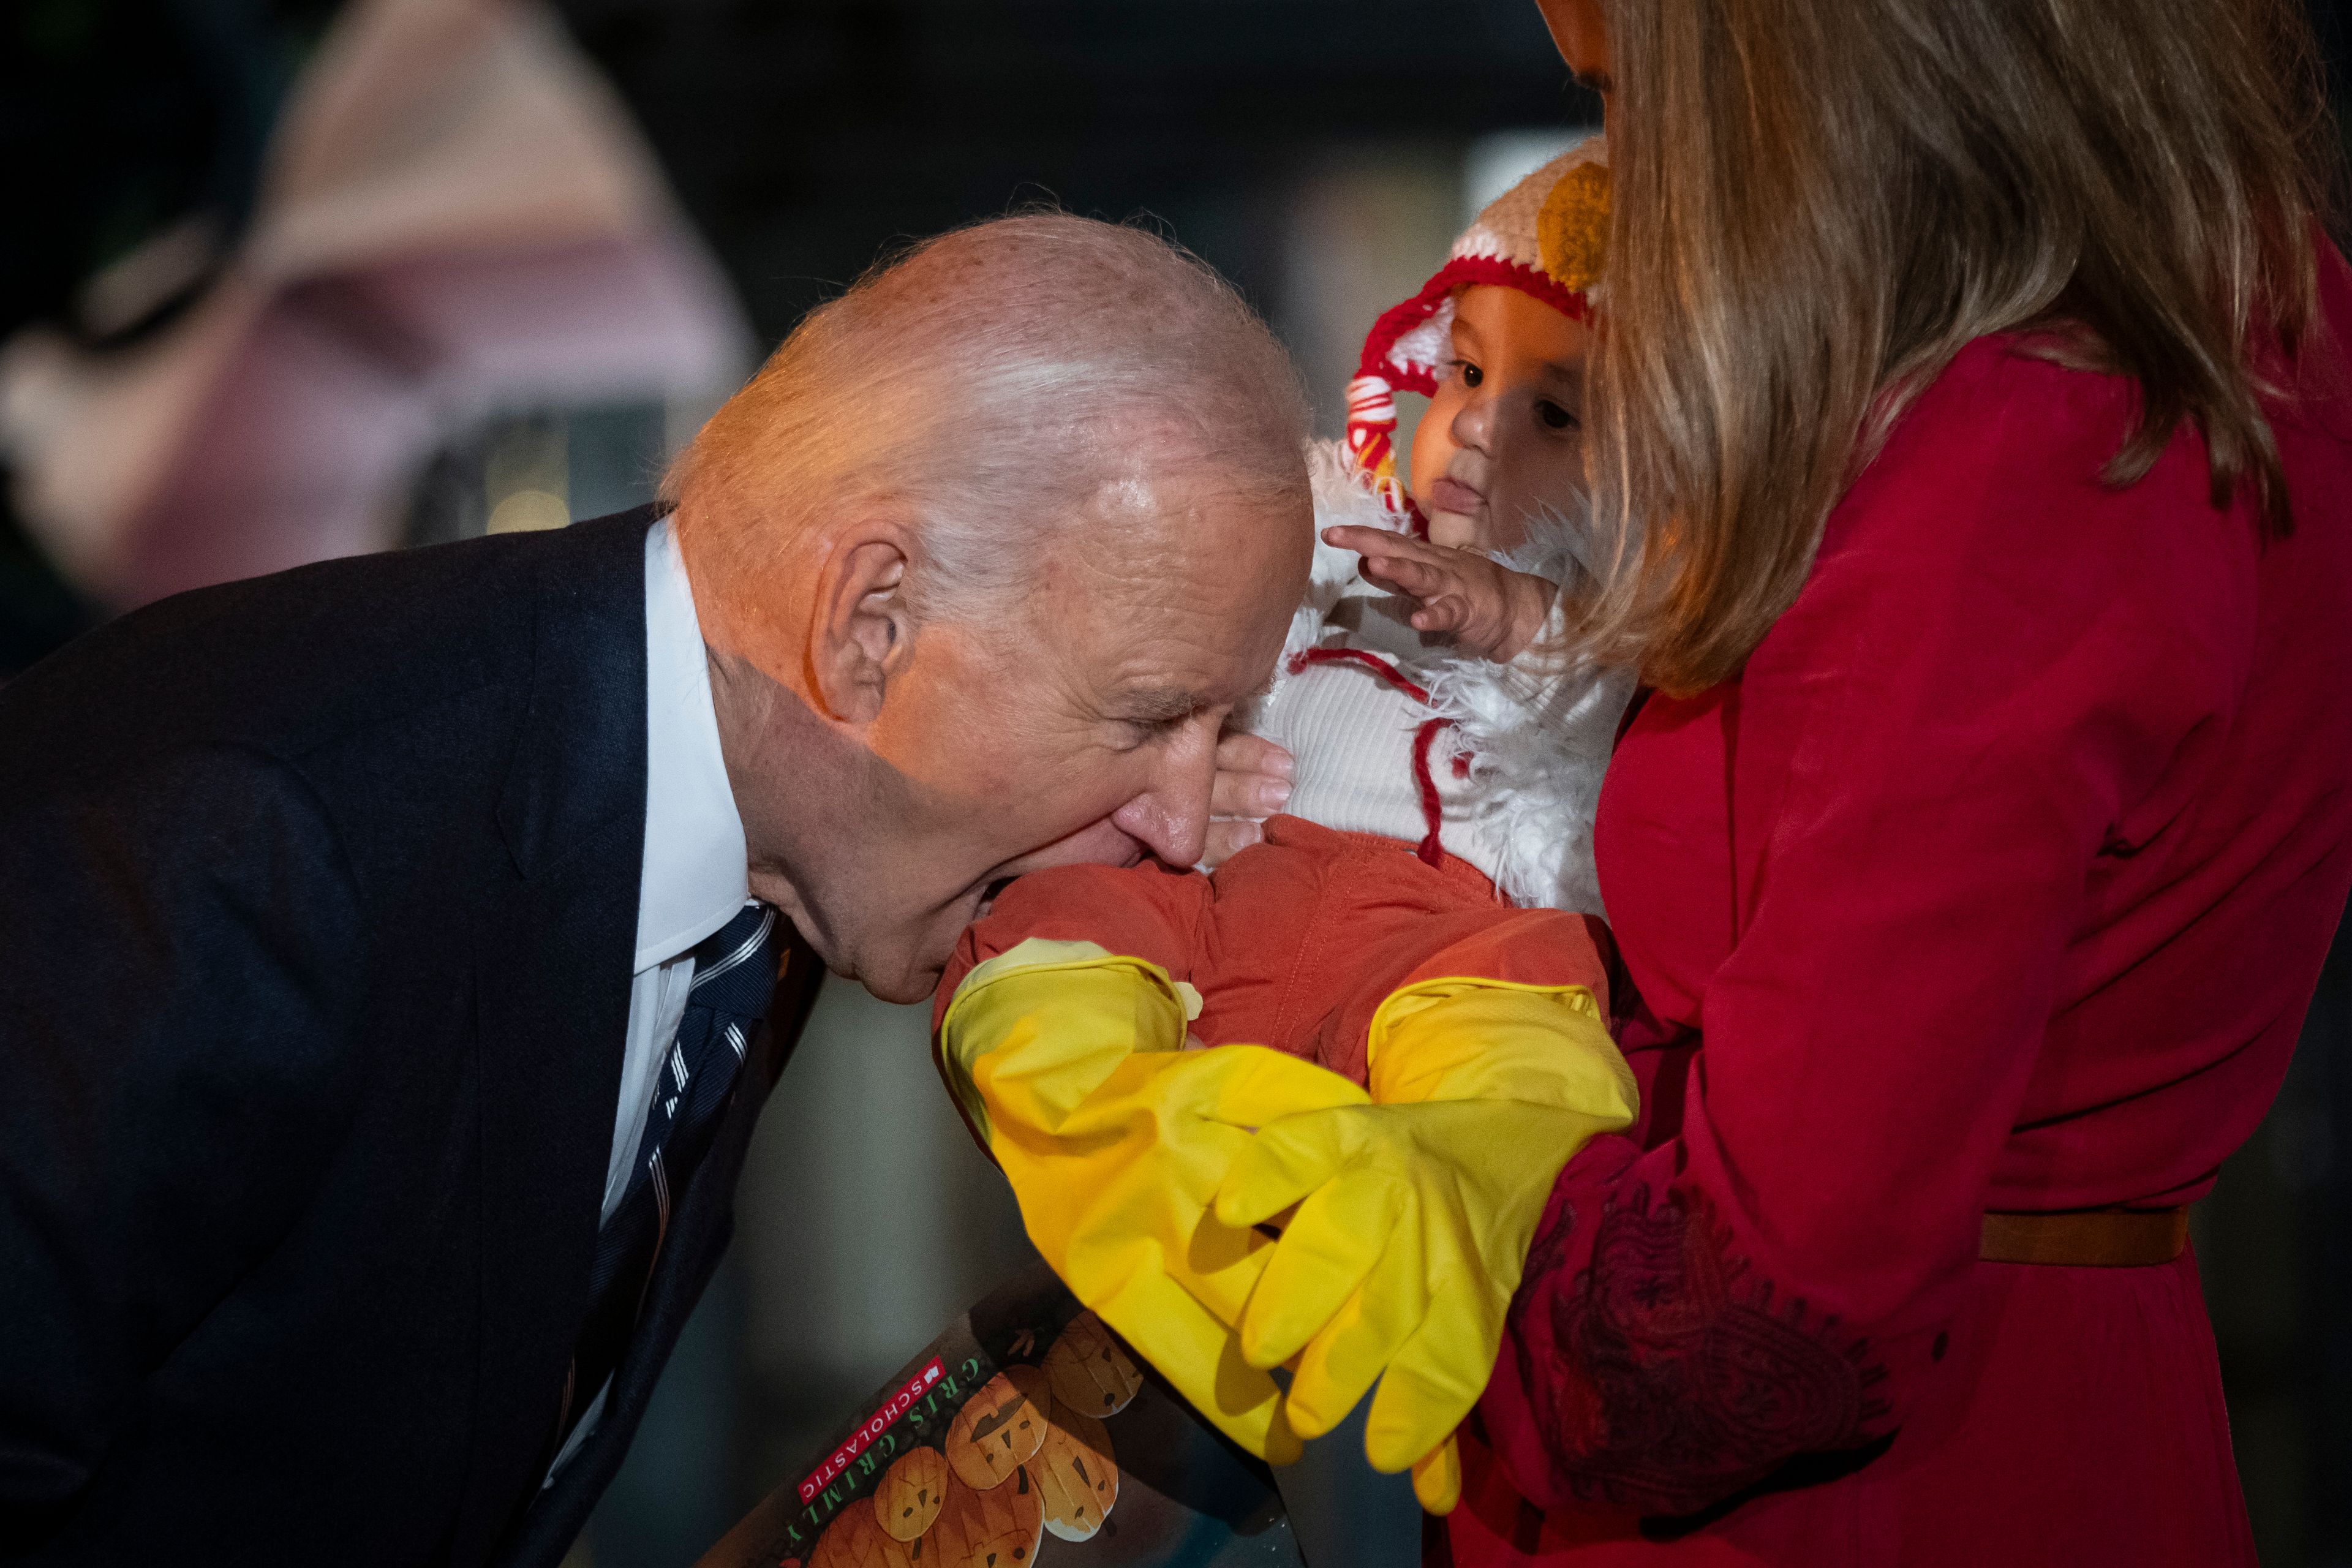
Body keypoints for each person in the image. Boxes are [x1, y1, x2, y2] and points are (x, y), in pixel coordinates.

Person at [0, 215, 1316, 1567]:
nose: (1178, 814)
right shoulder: (243, 841)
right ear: (873, 627)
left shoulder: (769, 846)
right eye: (1156, 714)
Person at [1216, 1, 2351, 1562]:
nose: (1627, 180)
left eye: (1631, 97)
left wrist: (1397, 1190)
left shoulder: (2014, 446)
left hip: (1855, 1498)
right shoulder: (2244, 311)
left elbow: (1780, 1302)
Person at [925, 143, 1648, 1512]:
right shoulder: (1328, 510)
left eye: (1556, 416)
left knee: (1534, 1055)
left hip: (1438, 951)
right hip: (1218, 896)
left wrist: (1521, 617)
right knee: (1035, 956)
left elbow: (1658, 680)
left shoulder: (1618, 630)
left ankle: (1419, 1195)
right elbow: (1175, 562)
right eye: (1465, 373)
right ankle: (1168, 1150)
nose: (1478, 432)